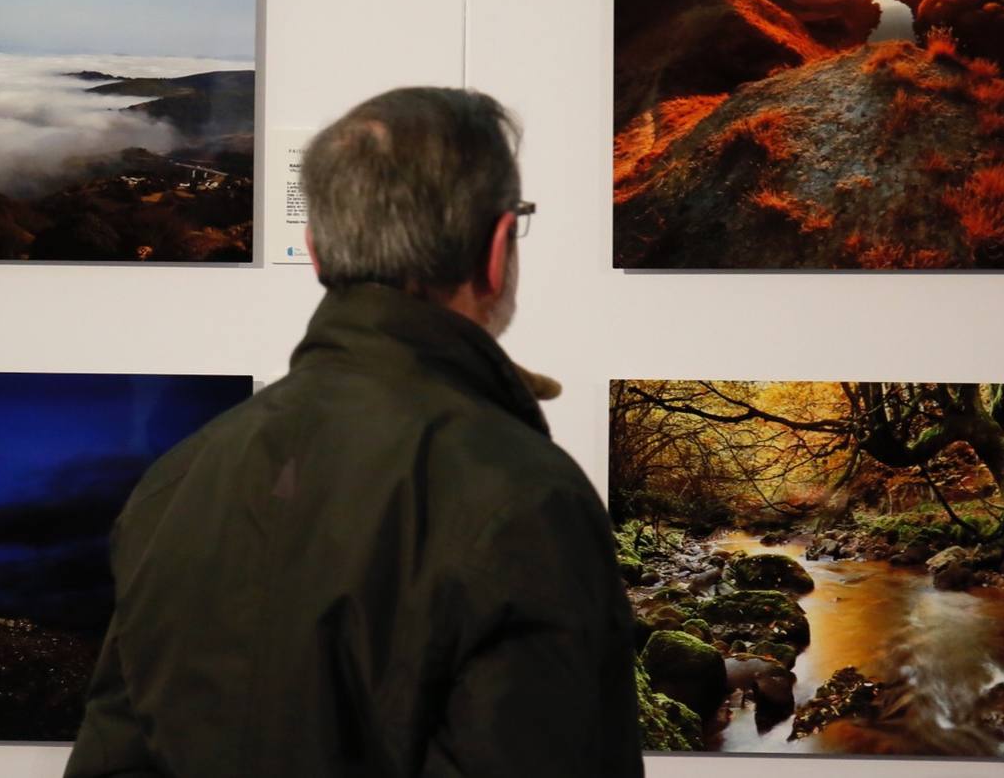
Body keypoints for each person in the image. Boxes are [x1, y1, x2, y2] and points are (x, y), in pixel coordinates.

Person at [64, 87, 643, 777]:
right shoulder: (524, 494)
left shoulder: (180, 476)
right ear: (496, 249)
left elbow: (112, 759)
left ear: (315, 251)